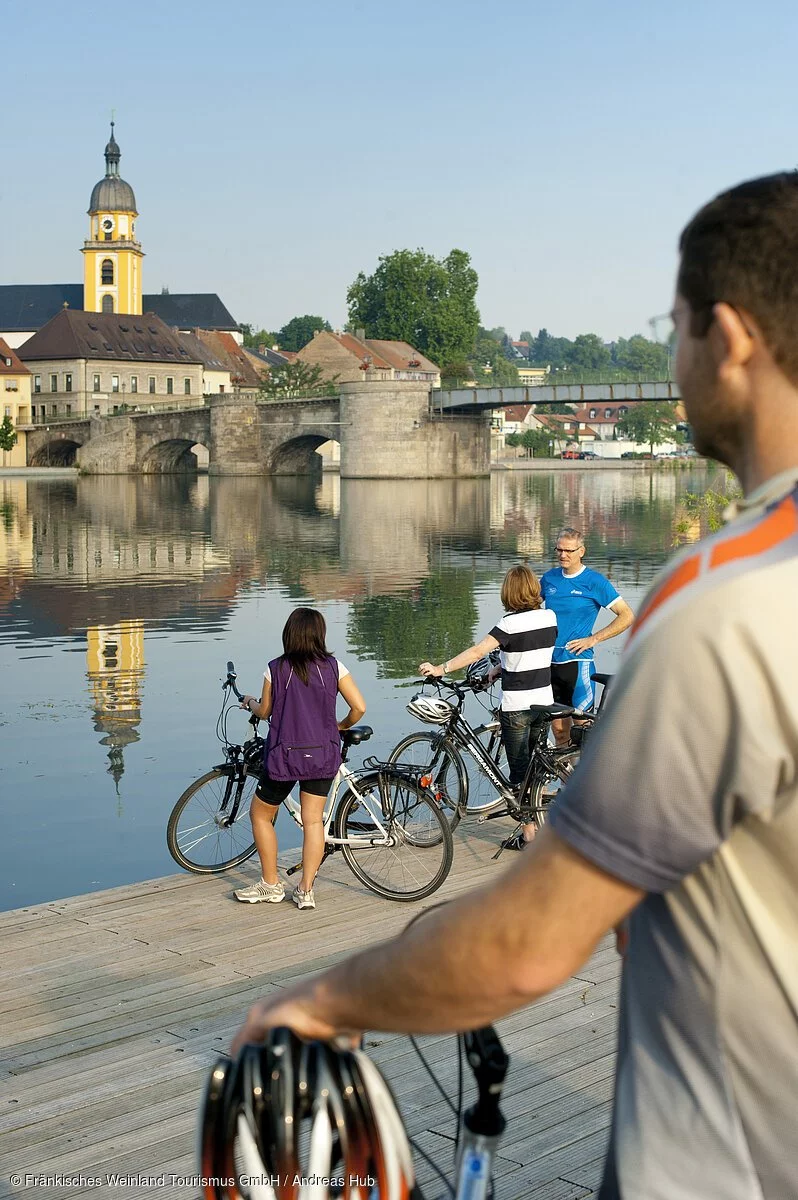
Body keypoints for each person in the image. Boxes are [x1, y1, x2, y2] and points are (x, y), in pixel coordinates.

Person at [233, 173, 798, 1199]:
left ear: (730, 334)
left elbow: (531, 945)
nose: (673, 366)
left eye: (674, 333)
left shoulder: (731, 598)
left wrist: (321, 1001)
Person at [418, 563, 556, 849]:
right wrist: (497, 672)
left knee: (519, 773)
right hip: (544, 701)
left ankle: (530, 836)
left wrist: (441, 668)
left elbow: (479, 651)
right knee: (535, 769)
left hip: (517, 706)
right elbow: (528, 657)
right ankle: (542, 825)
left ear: (509, 593)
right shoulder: (549, 618)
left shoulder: (508, 625)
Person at [236, 607, 366, 911]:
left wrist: (250, 702)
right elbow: (359, 706)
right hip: (323, 754)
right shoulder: (334, 667)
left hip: (285, 756)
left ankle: (270, 884)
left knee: (260, 814)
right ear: (320, 634)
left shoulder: (276, 669)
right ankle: (306, 890)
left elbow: (265, 712)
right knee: (313, 822)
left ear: (289, 634)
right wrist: (340, 725)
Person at [540, 529, 634, 744]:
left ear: (581, 551)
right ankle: (566, 779)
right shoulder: (549, 579)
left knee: (582, 735)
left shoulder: (594, 581)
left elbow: (627, 615)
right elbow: (531, 610)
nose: (563, 555)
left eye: (569, 551)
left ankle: (589, 777)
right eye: (559, 550)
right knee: (560, 734)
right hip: (549, 664)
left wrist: (594, 639)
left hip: (577, 664)